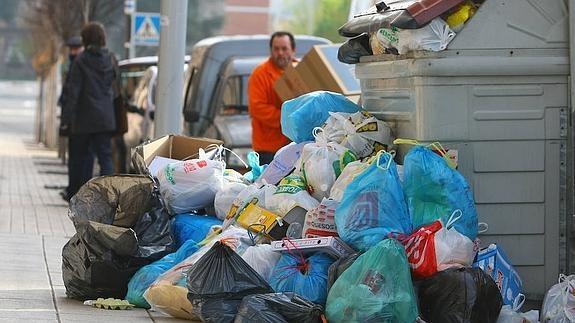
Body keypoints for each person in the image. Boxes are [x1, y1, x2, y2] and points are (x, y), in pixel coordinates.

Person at [61, 22, 117, 200]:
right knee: (105, 158)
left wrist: (66, 119)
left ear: (85, 39)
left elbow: (73, 93)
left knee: (80, 159)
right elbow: (116, 88)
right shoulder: (111, 59)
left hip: (84, 119)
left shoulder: (81, 60)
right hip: (105, 118)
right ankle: (110, 196)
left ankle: (80, 196)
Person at [248, 31, 296, 165]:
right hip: (269, 150)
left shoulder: (301, 72)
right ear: (271, 51)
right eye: (276, 49)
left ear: (293, 50)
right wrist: (287, 119)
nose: (280, 53)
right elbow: (257, 108)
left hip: (296, 147)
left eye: (284, 48)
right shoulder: (260, 74)